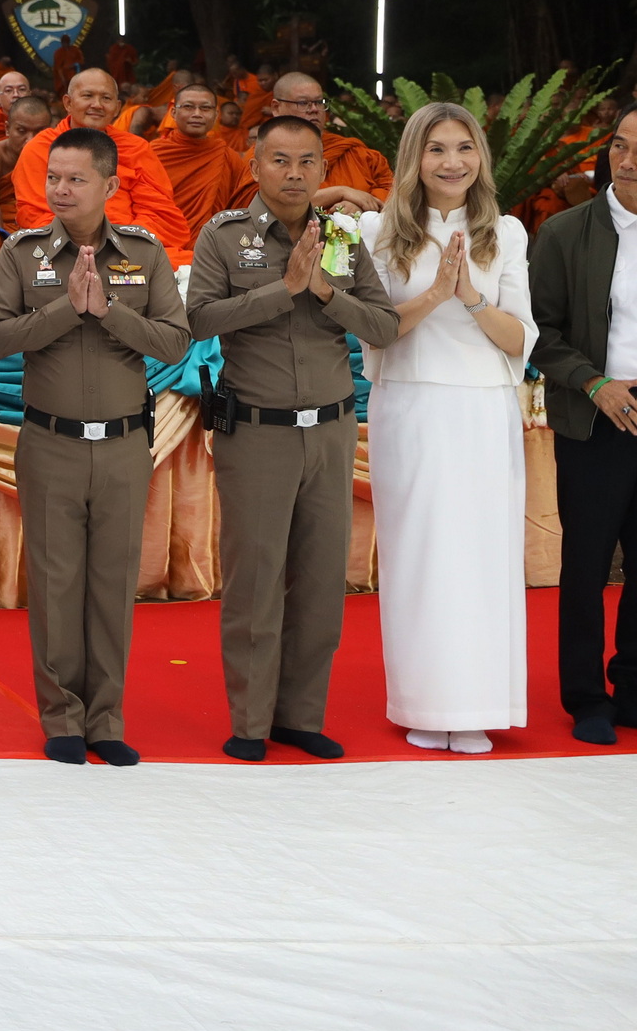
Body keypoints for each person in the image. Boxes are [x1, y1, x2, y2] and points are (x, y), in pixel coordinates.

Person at [188, 115, 402, 761]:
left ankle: (300, 716)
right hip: (258, 433)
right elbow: (198, 317)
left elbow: (385, 326)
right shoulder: (224, 238)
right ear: (254, 167)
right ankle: (250, 723)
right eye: (279, 161)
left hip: (332, 431)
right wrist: (282, 292)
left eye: (308, 162)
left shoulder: (339, 236)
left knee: (319, 578)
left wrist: (326, 293)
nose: (294, 174)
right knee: (255, 579)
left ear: (322, 170)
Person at [0, 126, 189, 764]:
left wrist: (109, 313)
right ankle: (63, 718)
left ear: (109, 185)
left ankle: (107, 719)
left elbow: (174, 343)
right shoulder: (22, 253)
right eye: (52, 178)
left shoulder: (145, 254)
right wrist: (67, 310)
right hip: (52, 442)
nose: (60, 190)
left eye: (75, 179)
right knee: (55, 581)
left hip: (125, 445)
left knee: (111, 582)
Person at [360, 103, 534, 753]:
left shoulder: (507, 232)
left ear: (480, 157)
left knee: (481, 557)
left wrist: (468, 295)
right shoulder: (377, 228)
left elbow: (519, 337)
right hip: (409, 406)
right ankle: (424, 705)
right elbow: (373, 330)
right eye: (437, 148)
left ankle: (479, 706)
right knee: (420, 557)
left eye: (464, 147)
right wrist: (434, 292)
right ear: (415, 157)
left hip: (482, 409)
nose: (452, 161)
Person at [526, 103, 637, 743]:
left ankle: (635, 685)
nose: (626, 160)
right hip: (597, 415)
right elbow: (542, 331)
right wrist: (594, 383)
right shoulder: (567, 232)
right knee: (588, 561)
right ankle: (587, 696)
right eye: (618, 146)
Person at [8, 68, 193, 255]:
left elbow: (160, 214)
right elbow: (34, 214)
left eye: (106, 98)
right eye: (88, 96)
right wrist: (88, 245)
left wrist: (123, 242)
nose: (97, 105)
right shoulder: (39, 148)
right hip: (65, 248)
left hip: (130, 245)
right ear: (68, 103)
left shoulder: (136, 148)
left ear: (117, 107)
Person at [267, 72, 393, 211]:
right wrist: (339, 193)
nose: (314, 109)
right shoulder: (264, 155)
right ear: (276, 108)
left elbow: (390, 191)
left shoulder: (357, 153)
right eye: (303, 103)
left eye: (319, 102)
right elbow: (265, 206)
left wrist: (359, 206)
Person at [150, 81, 254, 223]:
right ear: (173, 113)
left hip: (210, 241)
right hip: (161, 236)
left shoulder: (226, 156)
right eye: (188, 107)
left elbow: (240, 204)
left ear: (216, 115)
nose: (197, 114)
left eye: (205, 108)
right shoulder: (154, 152)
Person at [0, 95, 54, 234]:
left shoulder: (56, 156)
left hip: (42, 230)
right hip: (0, 230)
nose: (30, 140)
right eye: (22, 131)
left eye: (39, 132)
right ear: (7, 129)